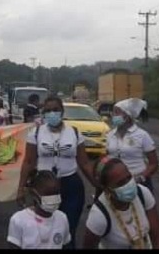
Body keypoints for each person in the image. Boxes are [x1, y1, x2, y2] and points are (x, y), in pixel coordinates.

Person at [17, 96, 98, 249]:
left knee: (68, 231)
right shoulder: (36, 133)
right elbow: (28, 162)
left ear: (62, 111)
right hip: (43, 187)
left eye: (55, 110)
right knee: (43, 230)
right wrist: (21, 189)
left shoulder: (74, 133)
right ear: (43, 113)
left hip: (71, 186)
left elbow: (85, 163)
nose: (52, 113)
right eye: (47, 111)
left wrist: (98, 186)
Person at [83, 157, 159, 249]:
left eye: (129, 177)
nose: (128, 184)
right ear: (107, 189)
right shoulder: (99, 215)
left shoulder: (143, 194)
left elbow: (158, 237)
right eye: (120, 183)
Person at [8, 170, 71, 249]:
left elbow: (65, 245)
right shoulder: (19, 220)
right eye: (48, 194)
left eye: (56, 193)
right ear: (34, 194)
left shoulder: (62, 218)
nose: (53, 198)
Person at [105, 98, 159, 192]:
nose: (113, 115)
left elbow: (153, 164)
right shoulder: (110, 135)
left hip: (139, 183)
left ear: (127, 116)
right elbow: (107, 158)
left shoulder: (142, 135)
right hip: (115, 183)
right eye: (113, 112)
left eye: (117, 112)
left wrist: (140, 178)